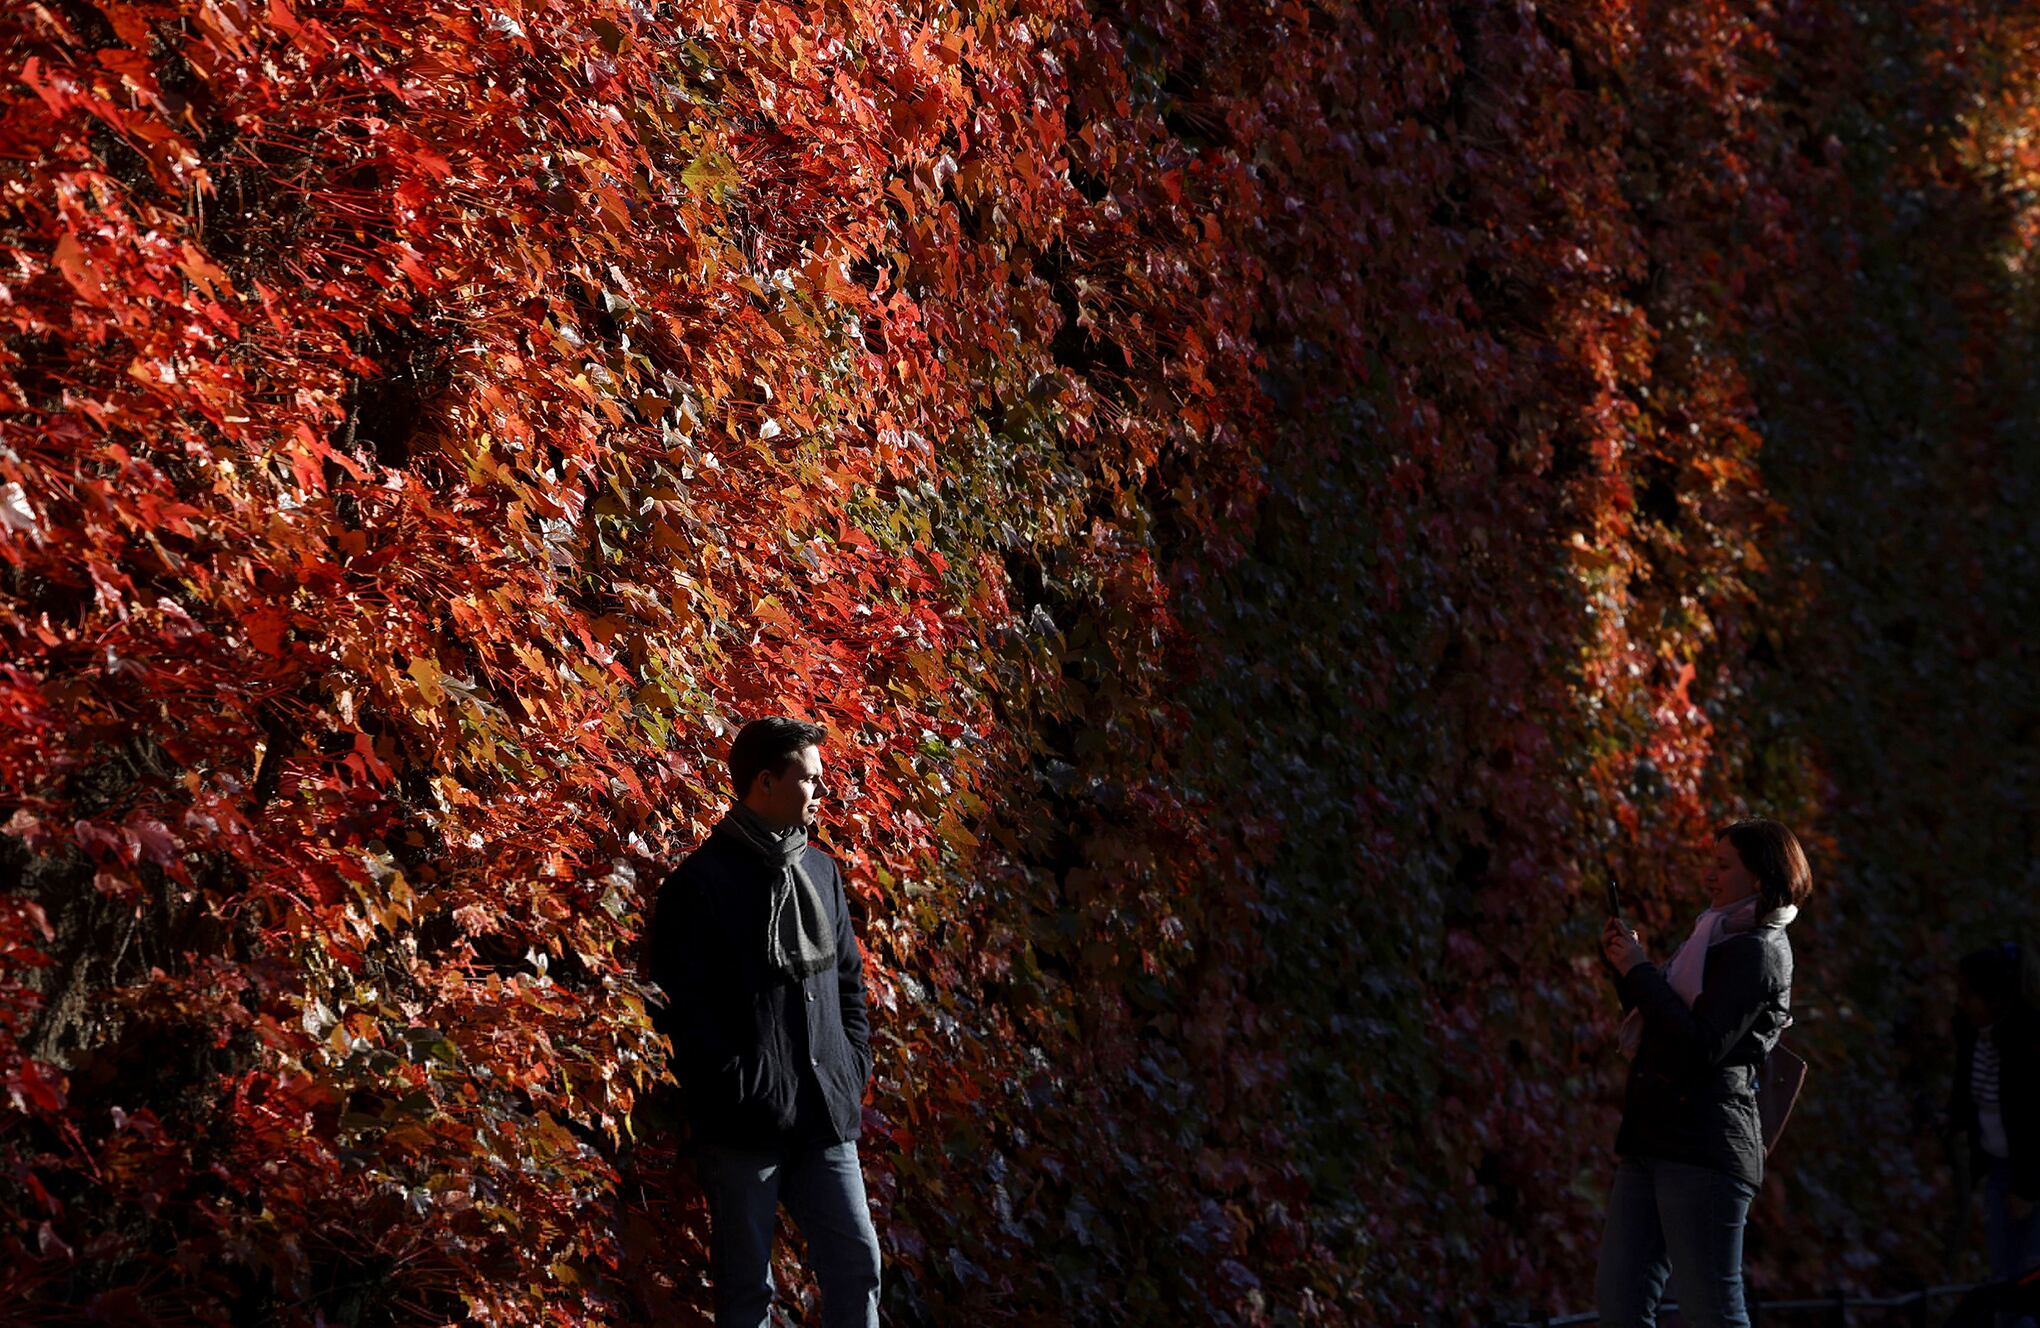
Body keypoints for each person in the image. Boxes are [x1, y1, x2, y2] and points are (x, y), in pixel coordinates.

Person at [645, 717, 881, 1327]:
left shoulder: (821, 873)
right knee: (747, 1294)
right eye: (809, 778)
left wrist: (851, 1066)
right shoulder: (699, 885)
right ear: (766, 782)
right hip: (744, 1125)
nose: (820, 791)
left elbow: (848, 984)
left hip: (824, 1113)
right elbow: (683, 1010)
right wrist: (742, 1086)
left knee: (857, 1268)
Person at [1596, 817, 1812, 1328]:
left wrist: (1639, 970)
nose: (1710, 876)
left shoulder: (1759, 951)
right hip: (1655, 1137)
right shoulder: (1711, 935)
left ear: (1760, 876)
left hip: (1704, 1146)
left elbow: (1699, 1046)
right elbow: (1664, 1024)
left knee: (1711, 1310)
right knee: (1620, 1304)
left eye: (1723, 866)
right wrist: (1628, 970)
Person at [1950, 941, 2040, 1311]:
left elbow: (2033, 1119)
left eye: (1969, 995)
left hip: (2029, 1174)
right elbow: (1968, 1098)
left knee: (2027, 1278)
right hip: (2000, 1169)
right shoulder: (1974, 1036)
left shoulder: (2028, 1045)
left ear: (1995, 998)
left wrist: (2029, 1187)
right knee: (2004, 1276)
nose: (1961, 1003)